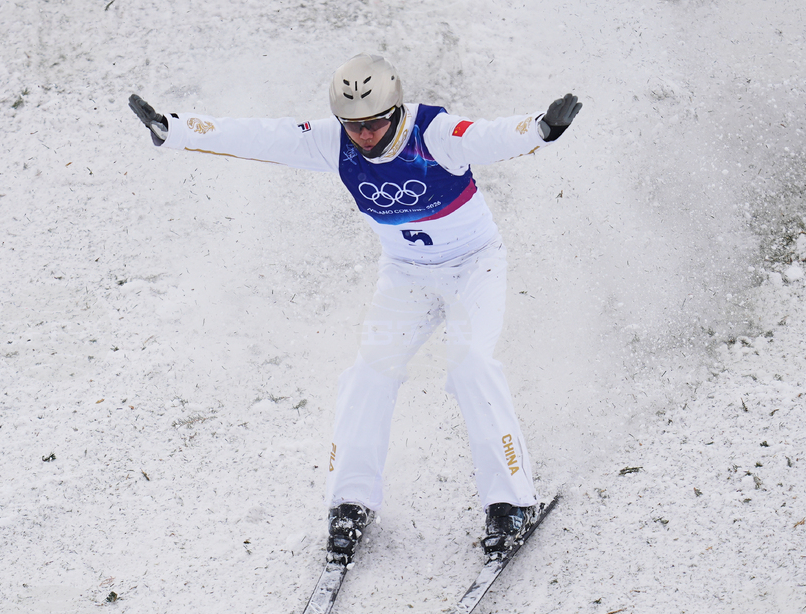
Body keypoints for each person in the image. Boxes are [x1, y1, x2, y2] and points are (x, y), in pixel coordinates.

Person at [129, 53, 581, 564]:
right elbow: (261, 136)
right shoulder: (335, 141)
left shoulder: (436, 133)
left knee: (471, 365)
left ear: (396, 110)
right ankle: (351, 502)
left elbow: (492, 136)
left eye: (374, 124)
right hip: (406, 273)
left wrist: (541, 129)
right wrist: (177, 129)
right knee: (370, 372)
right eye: (353, 126)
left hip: (474, 267)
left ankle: (511, 502)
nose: (363, 136)